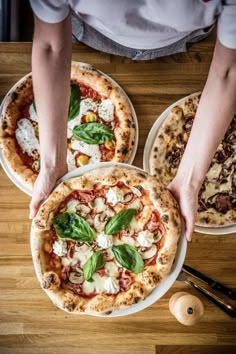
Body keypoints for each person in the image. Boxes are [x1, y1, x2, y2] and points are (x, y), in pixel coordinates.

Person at [28, 0, 236, 241]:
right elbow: (51, 47)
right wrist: (51, 163)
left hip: (185, 41)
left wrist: (189, 181)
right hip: (88, 34)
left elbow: (229, 71)